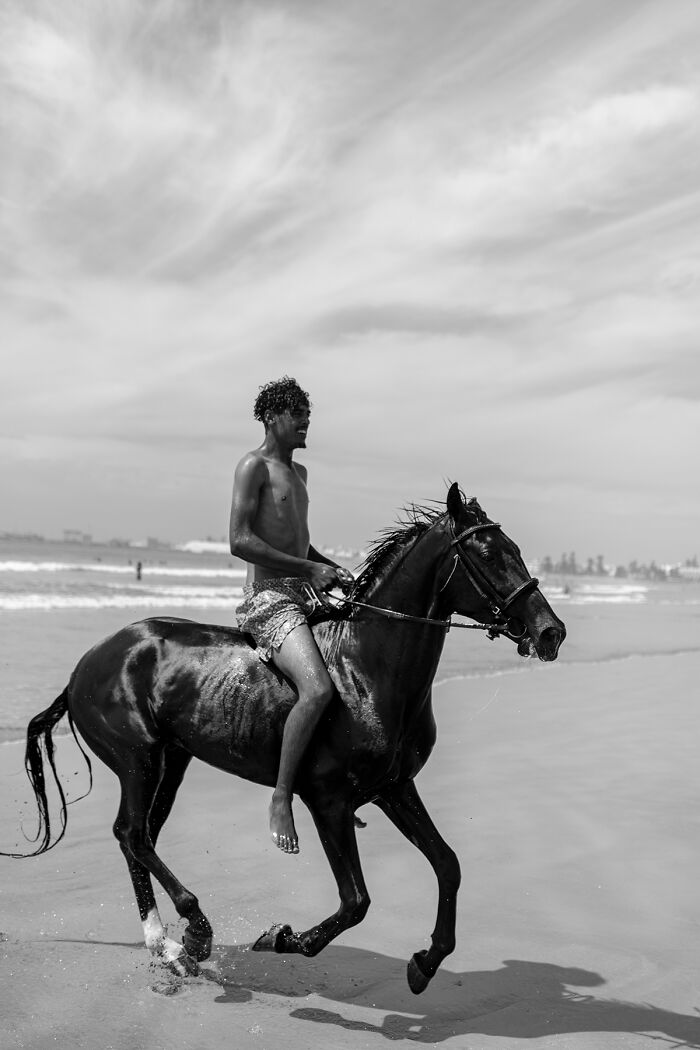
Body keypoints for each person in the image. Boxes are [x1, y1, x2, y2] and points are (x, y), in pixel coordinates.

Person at [229, 376, 353, 855]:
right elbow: (240, 541)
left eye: (308, 415)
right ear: (271, 417)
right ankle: (281, 798)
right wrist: (308, 569)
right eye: (297, 414)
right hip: (268, 598)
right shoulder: (252, 466)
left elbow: (297, 541)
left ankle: (333, 778)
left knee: (356, 663)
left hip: (304, 589)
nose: (305, 423)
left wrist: (329, 567)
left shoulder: (300, 473)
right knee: (318, 688)